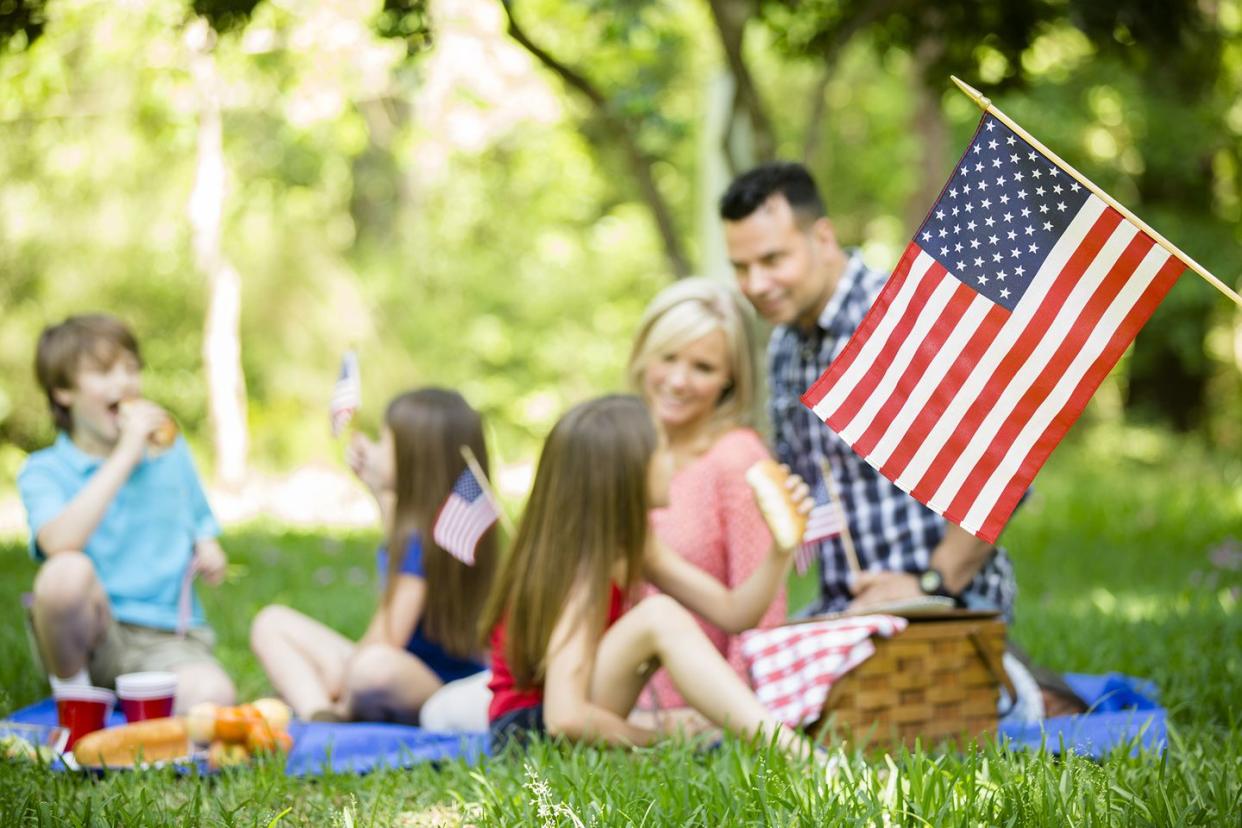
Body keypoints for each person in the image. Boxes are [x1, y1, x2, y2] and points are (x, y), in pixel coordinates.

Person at [720, 162, 1017, 619]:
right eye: (741, 267)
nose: (755, 285)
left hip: (949, 604)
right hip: (846, 608)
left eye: (773, 260)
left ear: (822, 238)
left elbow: (1005, 464)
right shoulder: (783, 347)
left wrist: (929, 584)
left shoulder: (905, 314)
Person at [481, 394, 815, 760]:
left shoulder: (636, 544)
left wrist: (781, 550)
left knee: (660, 619)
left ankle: (787, 747)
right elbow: (564, 717)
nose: (673, 462)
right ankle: (799, 755)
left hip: (563, 720)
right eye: (662, 449)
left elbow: (735, 613)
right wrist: (660, 736)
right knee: (658, 616)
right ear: (626, 471)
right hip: (527, 740)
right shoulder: (583, 567)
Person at [18, 314, 235, 712]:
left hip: (167, 639)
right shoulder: (44, 470)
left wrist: (207, 544)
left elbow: (196, 514)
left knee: (214, 698)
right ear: (63, 391)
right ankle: (77, 698)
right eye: (103, 372)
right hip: (90, 637)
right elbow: (58, 543)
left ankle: (142, 700)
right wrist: (125, 454)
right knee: (65, 572)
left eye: (130, 368)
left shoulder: (169, 452)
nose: (124, 382)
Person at [250, 388, 498, 723]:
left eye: (384, 441)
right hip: (407, 667)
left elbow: (388, 637)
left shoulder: (428, 540)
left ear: (414, 456)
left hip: (438, 686)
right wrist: (375, 486)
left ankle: (329, 707)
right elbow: (394, 527)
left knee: (371, 667)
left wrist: (341, 673)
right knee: (271, 622)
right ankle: (320, 713)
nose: (375, 449)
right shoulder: (427, 522)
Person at [627, 276, 783, 710]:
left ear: (729, 379)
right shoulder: (623, 450)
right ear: (643, 355)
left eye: (703, 368)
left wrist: (728, 718)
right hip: (613, 697)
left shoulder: (737, 458)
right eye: (668, 357)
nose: (678, 381)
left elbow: (761, 616)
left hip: (702, 707)